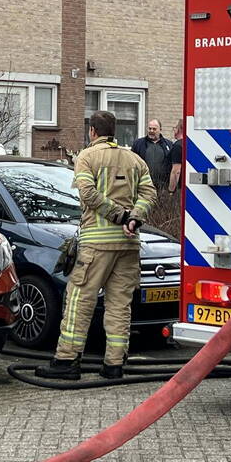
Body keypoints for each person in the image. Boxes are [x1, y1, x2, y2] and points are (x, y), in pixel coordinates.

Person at [36, 110, 157, 381]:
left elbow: (88, 194)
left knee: (79, 299)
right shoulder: (135, 159)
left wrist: (119, 215)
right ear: (115, 131)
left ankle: (66, 361)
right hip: (128, 245)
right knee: (119, 305)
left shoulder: (87, 157)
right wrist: (135, 217)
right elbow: (149, 193)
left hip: (96, 245)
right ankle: (114, 365)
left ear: (93, 131)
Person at [131, 119, 172, 188]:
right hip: (144, 185)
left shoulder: (169, 145)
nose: (151, 131)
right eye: (150, 128)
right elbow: (132, 163)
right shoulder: (138, 144)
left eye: (154, 129)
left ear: (160, 130)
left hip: (163, 187)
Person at [167, 118, 184, 196]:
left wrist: (171, 191)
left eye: (175, 128)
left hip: (178, 189)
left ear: (179, 129)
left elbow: (176, 171)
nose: (174, 130)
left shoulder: (178, 146)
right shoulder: (189, 144)